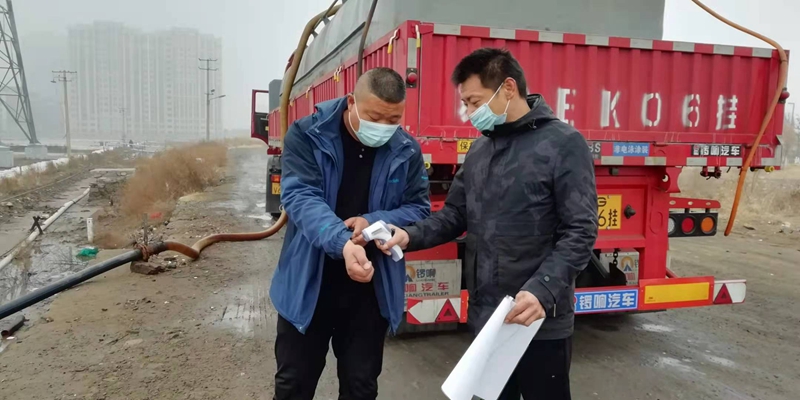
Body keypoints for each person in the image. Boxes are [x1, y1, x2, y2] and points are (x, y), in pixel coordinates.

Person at [380, 48, 598, 400]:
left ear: (508, 88)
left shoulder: (563, 144)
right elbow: (455, 215)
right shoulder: (480, 150)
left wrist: (543, 290)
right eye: (465, 104)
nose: (469, 113)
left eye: (474, 102)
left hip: (539, 319)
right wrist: (408, 235)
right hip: (489, 317)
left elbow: (581, 230)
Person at [270, 67, 430, 400]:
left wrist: (373, 220)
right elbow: (300, 196)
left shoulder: (407, 149)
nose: (383, 127)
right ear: (351, 102)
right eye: (374, 117)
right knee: (293, 384)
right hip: (309, 284)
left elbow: (418, 207)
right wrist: (342, 241)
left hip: (369, 290)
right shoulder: (307, 135)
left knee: (361, 386)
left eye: (393, 119)